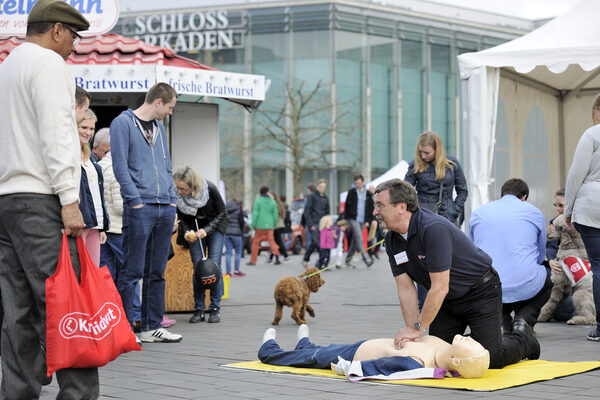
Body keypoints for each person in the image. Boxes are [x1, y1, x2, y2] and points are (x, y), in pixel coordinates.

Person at [0, 1, 100, 397]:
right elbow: (58, 133)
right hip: (40, 199)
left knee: (16, 312)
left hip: (7, 199)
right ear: (57, 30)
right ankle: (78, 394)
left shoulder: (8, 67)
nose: (73, 47)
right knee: (66, 306)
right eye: (73, 37)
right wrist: (69, 197)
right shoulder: (49, 64)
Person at [373, 179, 540, 370]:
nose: (375, 212)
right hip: (446, 300)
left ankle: (525, 340)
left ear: (401, 207)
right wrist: (413, 335)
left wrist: (417, 328)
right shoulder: (392, 240)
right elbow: (406, 288)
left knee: (491, 359)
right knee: (438, 356)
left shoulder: (432, 229)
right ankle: (476, 340)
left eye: (380, 206)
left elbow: (439, 287)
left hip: (480, 292)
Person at [110, 82, 182, 343]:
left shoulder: (160, 128)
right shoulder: (123, 123)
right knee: (132, 270)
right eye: (170, 107)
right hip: (140, 207)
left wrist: (173, 201)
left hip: (165, 206)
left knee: (157, 270)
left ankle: (152, 327)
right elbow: (120, 166)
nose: (171, 112)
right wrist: (135, 200)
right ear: (159, 102)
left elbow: (166, 165)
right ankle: (126, 328)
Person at [469, 178, 552, 333]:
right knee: (544, 280)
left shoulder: (479, 212)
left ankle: (501, 320)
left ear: (501, 194)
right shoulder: (534, 212)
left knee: (498, 282)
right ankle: (524, 320)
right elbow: (540, 253)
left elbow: (473, 250)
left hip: (486, 285)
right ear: (524, 197)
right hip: (523, 282)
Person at [259, 325, 490, 379]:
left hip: (355, 355)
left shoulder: (419, 363)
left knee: (314, 359)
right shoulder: (443, 345)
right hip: (363, 343)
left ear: (457, 361)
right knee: (321, 352)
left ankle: (268, 350)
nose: (470, 339)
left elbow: (383, 368)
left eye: (471, 345)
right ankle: (305, 344)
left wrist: (349, 368)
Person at [404, 131, 468, 309]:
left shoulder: (452, 164)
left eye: (427, 152)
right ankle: (425, 304)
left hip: (447, 216)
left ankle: (451, 300)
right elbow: (404, 192)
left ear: (436, 150)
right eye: (421, 152)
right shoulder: (414, 166)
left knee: (452, 259)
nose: (423, 156)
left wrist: (455, 210)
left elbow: (463, 190)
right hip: (423, 217)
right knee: (423, 261)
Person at [564, 93, 600, 341]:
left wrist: (568, 211)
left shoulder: (592, 134)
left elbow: (577, 174)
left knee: (598, 268)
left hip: (592, 205)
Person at [174, 167, 228, 324]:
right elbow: (182, 218)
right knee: (198, 268)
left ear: (193, 187)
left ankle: (215, 308)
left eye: (182, 188)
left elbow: (223, 212)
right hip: (194, 230)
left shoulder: (209, 188)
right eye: (177, 187)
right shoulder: (179, 197)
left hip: (215, 228)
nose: (179, 191)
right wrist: (185, 232)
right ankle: (199, 308)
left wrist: (207, 229)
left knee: (214, 266)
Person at [78, 108, 109, 267]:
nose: (88, 132)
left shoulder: (90, 156)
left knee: (93, 273)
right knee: (78, 273)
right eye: (84, 127)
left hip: (95, 225)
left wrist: (102, 226)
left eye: (91, 128)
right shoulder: (68, 154)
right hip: (79, 223)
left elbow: (97, 194)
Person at [544, 189, 576, 322]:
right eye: (556, 205)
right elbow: (550, 246)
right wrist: (551, 260)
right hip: (561, 270)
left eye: (561, 205)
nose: (558, 209)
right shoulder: (554, 222)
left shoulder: (581, 224)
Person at [343, 174, 375, 268]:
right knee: (359, 238)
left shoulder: (368, 193)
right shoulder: (352, 192)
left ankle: (348, 260)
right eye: (356, 183)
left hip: (363, 220)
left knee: (355, 240)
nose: (358, 185)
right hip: (353, 219)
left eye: (359, 183)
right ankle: (367, 259)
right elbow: (346, 207)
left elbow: (370, 208)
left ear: (362, 182)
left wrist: (369, 220)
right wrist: (346, 220)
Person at [248, 186, 280, 266]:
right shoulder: (273, 202)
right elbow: (275, 215)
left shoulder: (258, 201)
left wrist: (252, 225)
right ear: (267, 192)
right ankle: (277, 256)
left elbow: (255, 214)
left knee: (255, 243)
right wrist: (274, 224)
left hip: (260, 225)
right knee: (272, 242)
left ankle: (253, 261)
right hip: (270, 225)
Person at [302, 179, 330, 268]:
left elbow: (327, 211)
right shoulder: (312, 196)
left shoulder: (326, 197)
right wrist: (311, 224)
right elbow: (307, 211)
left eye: (324, 187)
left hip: (323, 224)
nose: (322, 188)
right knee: (317, 242)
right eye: (320, 186)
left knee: (316, 243)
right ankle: (320, 262)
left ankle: (308, 259)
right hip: (314, 223)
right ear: (317, 186)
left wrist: (327, 223)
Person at [224, 198, 246, 277]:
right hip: (237, 234)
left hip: (227, 233)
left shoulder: (225, 209)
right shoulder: (239, 209)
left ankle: (228, 272)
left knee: (228, 253)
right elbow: (242, 221)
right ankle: (236, 271)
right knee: (238, 252)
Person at [268, 192, 291, 264]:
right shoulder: (279, 204)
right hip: (279, 225)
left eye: (270, 196)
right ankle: (273, 258)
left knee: (278, 242)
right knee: (275, 242)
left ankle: (286, 256)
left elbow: (273, 215)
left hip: (276, 225)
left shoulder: (274, 204)